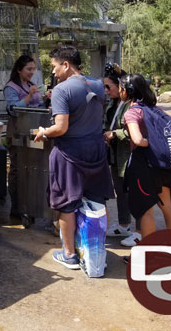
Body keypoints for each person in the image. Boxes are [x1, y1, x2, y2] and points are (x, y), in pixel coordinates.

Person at [34, 45, 114, 270]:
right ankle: (95, 251)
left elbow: (60, 127)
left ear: (66, 65)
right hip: (96, 150)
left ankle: (69, 255)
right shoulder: (98, 85)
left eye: (55, 66)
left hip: (70, 153)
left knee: (67, 204)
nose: (54, 72)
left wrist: (43, 131)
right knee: (97, 201)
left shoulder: (62, 90)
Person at [119, 73, 171, 241]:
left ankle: (147, 254)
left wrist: (152, 142)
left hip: (143, 165)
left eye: (121, 88)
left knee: (145, 211)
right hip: (162, 165)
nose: (120, 91)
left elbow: (137, 139)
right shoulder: (155, 109)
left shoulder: (132, 113)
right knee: (166, 205)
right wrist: (161, 141)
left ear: (128, 91)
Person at [102, 63, 141, 247]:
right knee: (120, 191)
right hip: (116, 155)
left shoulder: (133, 105)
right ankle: (124, 224)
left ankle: (141, 231)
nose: (106, 90)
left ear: (121, 87)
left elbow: (134, 132)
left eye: (109, 87)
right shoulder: (114, 103)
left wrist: (114, 134)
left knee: (136, 194)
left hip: (129, 156)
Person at [4, 54, 45, 218]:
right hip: (17, 133)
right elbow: (13, 109)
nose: (32, 72)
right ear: (19, 70)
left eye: (33, 69)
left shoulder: (31, 84)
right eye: (29, 69)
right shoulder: (10, 87)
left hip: (33, 132)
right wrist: (28, 96)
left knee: (33, 170)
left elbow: (39, 105)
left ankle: (32, 205)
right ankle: (17, 207)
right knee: (17, 170)